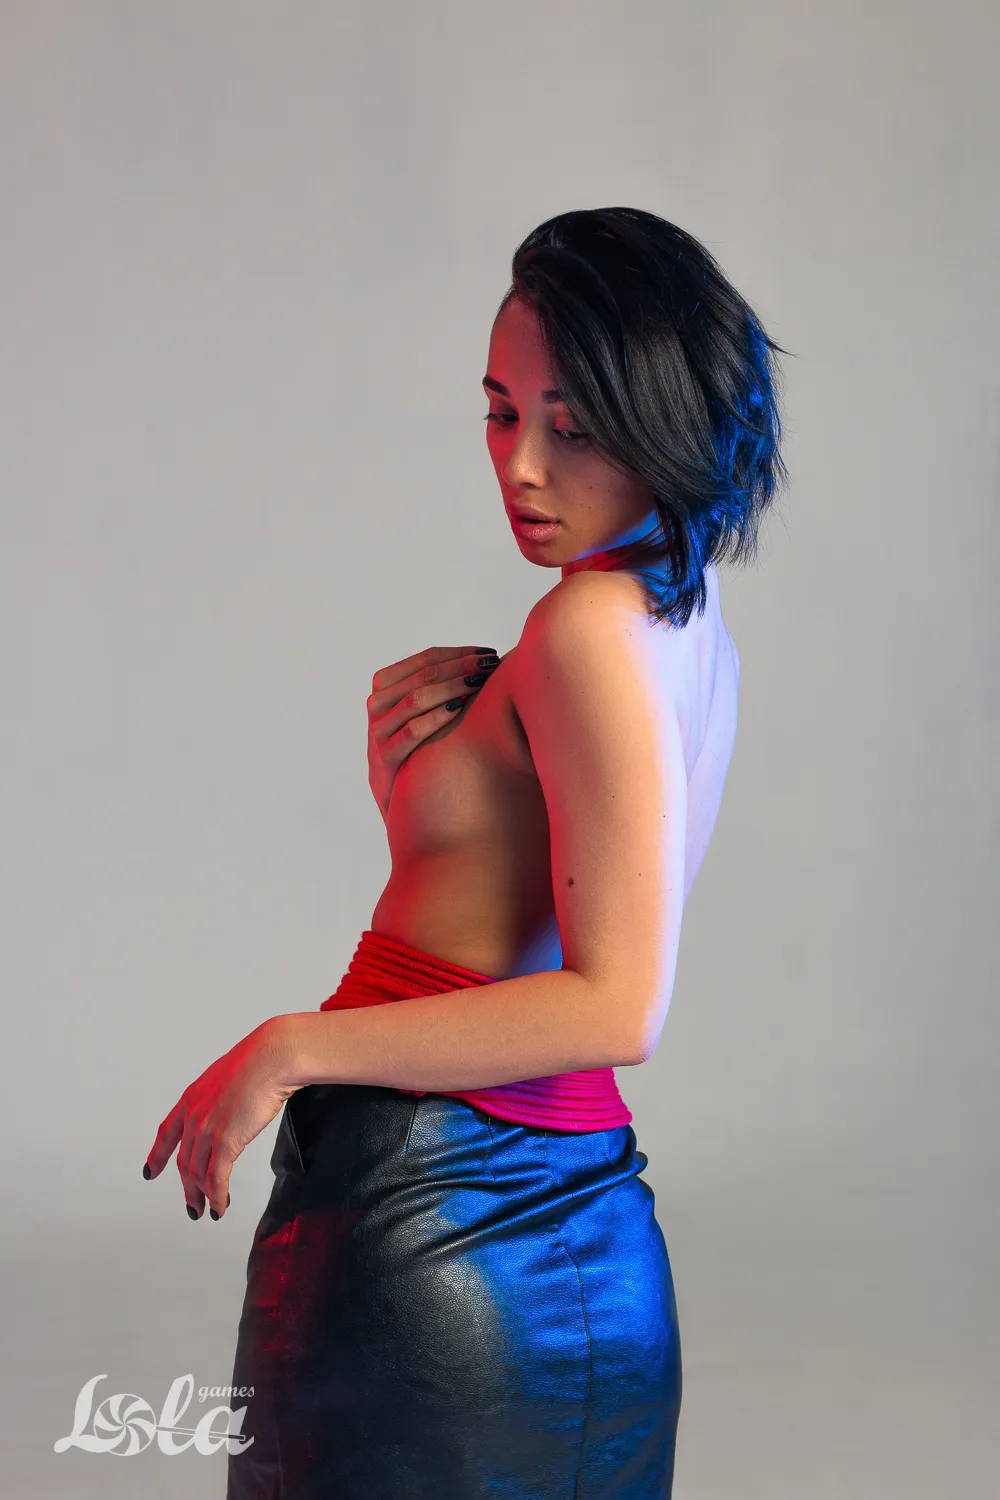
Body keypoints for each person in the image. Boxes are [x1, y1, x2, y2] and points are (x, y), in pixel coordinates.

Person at [143, 205, 786, 1498]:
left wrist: (290, 1047)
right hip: (586, 1233)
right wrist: (430, 808)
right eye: (501, 412)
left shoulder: (585, 631)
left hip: (433, 1219)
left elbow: (617, 1002)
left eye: (574, 426)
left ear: (663, 418)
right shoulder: (682, 611)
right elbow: (534, 909)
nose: (522, 466)